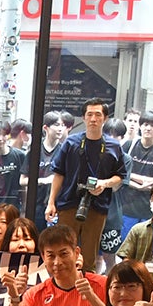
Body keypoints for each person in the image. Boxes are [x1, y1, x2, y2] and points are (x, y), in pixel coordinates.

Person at [47, 99, 128, 273]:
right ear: (83, 118)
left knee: (90, 256)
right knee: (64, 249)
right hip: (69, 203)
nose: (93, 119)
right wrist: (51, 202)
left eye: (98, 115)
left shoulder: (113, 146)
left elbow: (120, 177)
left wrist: (104, 184)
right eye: (89, 114)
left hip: (97, 206)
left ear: (105, 118)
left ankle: (85, 293)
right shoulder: (71, 143)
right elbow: (59, 173)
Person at [121, 112, 153, 235]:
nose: (148, 128)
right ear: (140, 126)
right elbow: (121, 173)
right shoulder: (129, 145)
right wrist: (139, 183)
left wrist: (131, 176)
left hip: (150, 207)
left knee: (145, 248)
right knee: (124, 247)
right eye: (145, 124)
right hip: (127, 205)